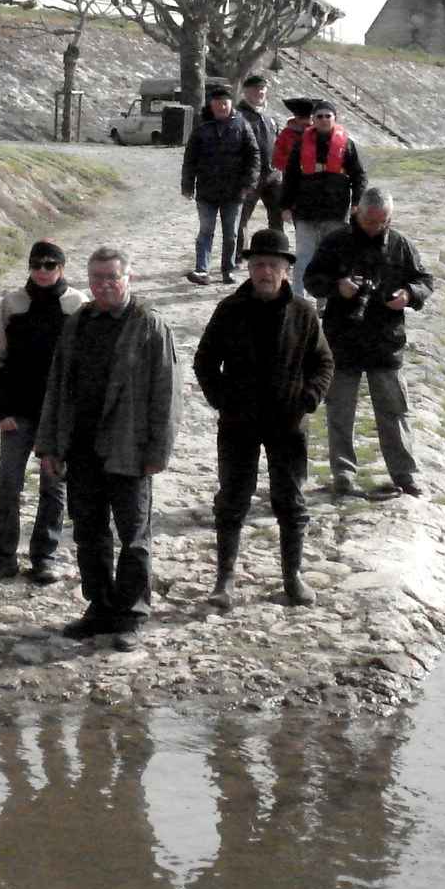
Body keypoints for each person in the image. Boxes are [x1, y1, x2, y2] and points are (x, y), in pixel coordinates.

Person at [35, 247, 182, 650]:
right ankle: (99, 608)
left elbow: (167, 395)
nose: (102, 286)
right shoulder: (79, 322)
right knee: (89, 533)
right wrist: (50, 444)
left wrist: (158, 451)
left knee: (134, 535)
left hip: (129, 448)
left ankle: (132, 613)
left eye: (111, 278)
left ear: (128, 278)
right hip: (81, 447)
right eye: (96, 278)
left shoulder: (150, 325)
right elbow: (58, 386)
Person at [192, 228, 335, 609]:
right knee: (232, 499)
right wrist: (222, 399)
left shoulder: (303, 313)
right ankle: (224, 579)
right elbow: (204, 360)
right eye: (257, 265)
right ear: (249, 269)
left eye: (272, 265)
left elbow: (323, 362)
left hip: (288, 424)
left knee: (290, 500)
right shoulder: (230, 308)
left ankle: (293, 576)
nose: (264, 271)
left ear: (287, 270)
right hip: (238, 423)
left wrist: (309, 398)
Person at [303, 186, 434, 498]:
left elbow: (425, 282)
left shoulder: (400, 244)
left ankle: (404, 474)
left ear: (390, 218)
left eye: (382, 222)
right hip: (342, 340)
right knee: (340, 412)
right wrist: (338, 287)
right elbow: (311, 279)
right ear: (356, 213)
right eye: (369, 221)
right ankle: (343, 474)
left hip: (385, 343)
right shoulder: (336, 242)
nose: (375, 227)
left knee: (395, 411)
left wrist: (408, 295)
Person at [0, 239, 85, 586]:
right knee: (8, 484)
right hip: (17, 412)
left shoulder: (78, 305)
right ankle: (2, 557)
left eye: (50, 265)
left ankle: (44, 556)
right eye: (36, 265)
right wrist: (1, 409)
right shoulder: (12, 303)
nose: (42, 271)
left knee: (54, 487)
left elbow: (86, 365)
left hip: (58, 415)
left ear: (62, 268)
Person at [180, 82, 259, 285]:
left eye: (225, 103)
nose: (221, 107)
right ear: (211, 105)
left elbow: (253, 155)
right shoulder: (201, 127)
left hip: (234, 192)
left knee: (231, 233)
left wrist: (248, 182)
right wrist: (187, 185)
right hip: (206, 190)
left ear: (231, 104)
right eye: (217, 103)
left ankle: (228, 269)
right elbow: (190, 158)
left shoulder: (242, 125)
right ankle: (202, 269)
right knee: (205, 231)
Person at [280, 98, 368, 279]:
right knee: (303, 256)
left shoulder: (347, 145)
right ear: (313, 119)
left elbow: (359, 175)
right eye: (319, 116)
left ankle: (325, 302)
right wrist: (286, 206)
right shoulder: (301, 144)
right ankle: (298, 298)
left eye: (328, 116)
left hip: (335, 211)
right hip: (306, 211)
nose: (323, 119)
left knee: (331, 257)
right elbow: (290, 177)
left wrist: (357, 202)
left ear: (335, 118)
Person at [235, 74, 285, 236]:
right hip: (250, 176)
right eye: (256, 89)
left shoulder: (269, 116)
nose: (260, 92)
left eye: (263, 89)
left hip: (273, 175)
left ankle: (278, 255)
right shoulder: (238, 116)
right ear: (246, 92)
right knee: (242, 219)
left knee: (278, 218)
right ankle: (239, 258)